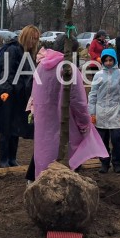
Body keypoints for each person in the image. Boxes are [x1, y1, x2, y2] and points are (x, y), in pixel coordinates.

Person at [29, 44, 108, 181]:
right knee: (64, 156)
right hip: (65, 123)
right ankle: (60, 188)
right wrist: (84, 124)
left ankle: (40, 184)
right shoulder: (69, 69)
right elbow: (78, 101)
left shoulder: (41, 66)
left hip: (43, 121)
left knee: (44, 155)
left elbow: (34, 93)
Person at [0, 26, 38, 168]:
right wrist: (7, 93)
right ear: (26, 36)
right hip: (8, 94)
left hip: (20, 94)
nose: (34, 42)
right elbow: (8, 73)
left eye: (36, 39)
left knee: (16, 127)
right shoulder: (13, 50)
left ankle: (12, 158)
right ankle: (4, 160)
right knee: (6, 127)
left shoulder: (28, 53)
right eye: (33, 38)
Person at [88, 48, 120, 173]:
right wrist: (92, 113)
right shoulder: (98, 75)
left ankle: (117, 163)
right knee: (102, 139)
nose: (108, 63)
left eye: (110, 60)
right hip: (100, 111)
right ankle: (104, 162)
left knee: (117, 138)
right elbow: (93, 94)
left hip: (115, 111)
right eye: (105, 60)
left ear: (114, 60)